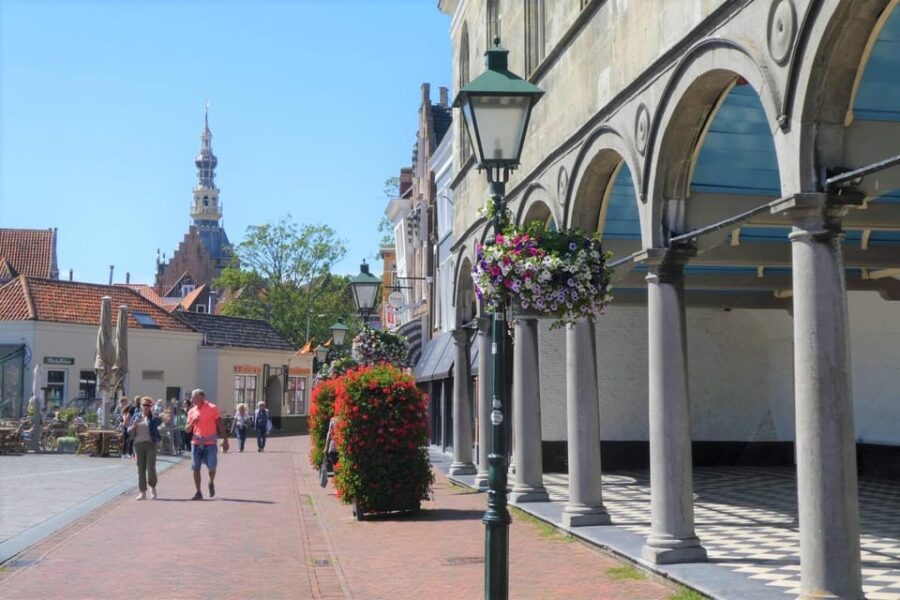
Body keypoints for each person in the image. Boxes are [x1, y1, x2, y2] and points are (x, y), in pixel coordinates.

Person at [186, 389, 229, 500]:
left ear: (201, 397)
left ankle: (211, 481)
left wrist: (225, 439)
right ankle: (198, 492)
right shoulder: (191, 411)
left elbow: (220, 424)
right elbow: (187, 429)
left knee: (212, 467)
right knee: (196, 468)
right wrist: (192, 422)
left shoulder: (212, 408)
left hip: (210, 443)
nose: (191, 399)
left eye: (193, 397)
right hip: (196, 443)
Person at [130, 397, 162, 500]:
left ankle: (152, 487)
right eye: (144, 405)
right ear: (141, 406)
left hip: (150, 444)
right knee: (141, 468)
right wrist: (134, 425)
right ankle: (142, 492)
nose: (146, 407)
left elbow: (159, 422)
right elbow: (129, 430)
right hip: (138, 444)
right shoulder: (136, 416)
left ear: (151, 406)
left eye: (148, 405)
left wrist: (153, 413)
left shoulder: (153, 417)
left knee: (150, 467)